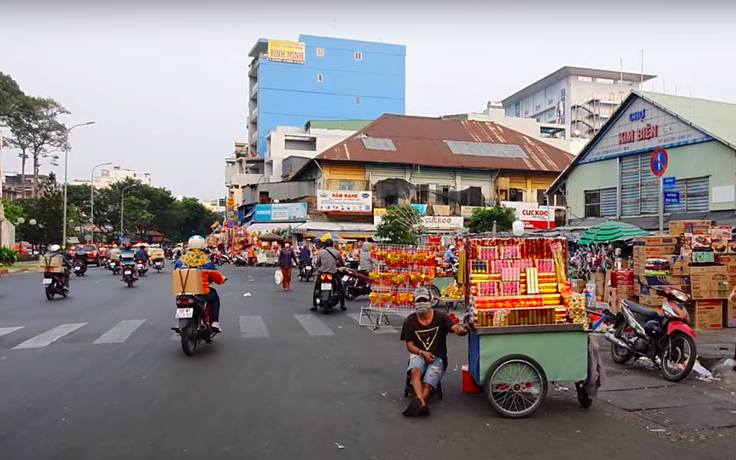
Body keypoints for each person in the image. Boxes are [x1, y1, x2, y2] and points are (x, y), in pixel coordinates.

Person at [400, 286, 471, 417]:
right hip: (419, 354)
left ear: (431, 300)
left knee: (428, 382)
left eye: (424, 300)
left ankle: (419, 402)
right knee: (415, 372)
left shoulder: (441, 317)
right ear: (415, 303)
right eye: (419, 301)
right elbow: (409, 345)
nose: (422, 304)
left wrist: (464, 330)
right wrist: (422, 353)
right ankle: (422, 404)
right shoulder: (410, 321)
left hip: (438, 357)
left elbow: (455, 328)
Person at [175, 235, 226, 331]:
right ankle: (214, 322)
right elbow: (216, 277)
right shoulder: (205, 261)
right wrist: (222, 279)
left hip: (183, 291)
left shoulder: (180, 260)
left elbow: (176, 273)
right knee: (214, 297)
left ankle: (181, 322)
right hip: (202, 292)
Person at [312, 238, 346, 311]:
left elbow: (318, 263)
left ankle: (314, 305)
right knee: (341, 287)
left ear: (325, 245)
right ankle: (342, 305)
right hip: (333, 272)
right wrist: (342, 265)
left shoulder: (321, 252)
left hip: (322, 272)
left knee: (316, 288)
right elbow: (342, 262)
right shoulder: (336, 252)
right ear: (332, 245)